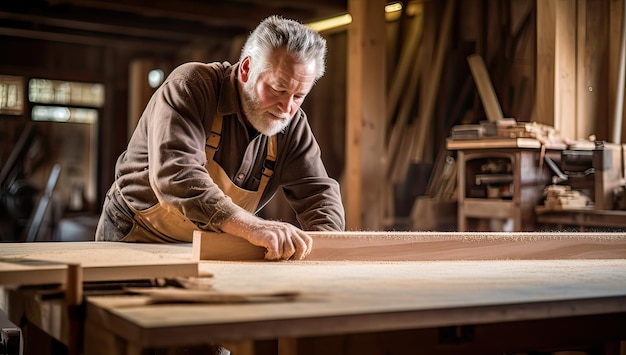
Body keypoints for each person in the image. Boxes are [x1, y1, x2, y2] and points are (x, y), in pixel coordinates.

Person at [95, 15, 345, 260]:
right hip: (138, 233)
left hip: (210, 243)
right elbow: (176, 175)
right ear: (247, 69)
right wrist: (254, 227)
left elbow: (318, 194)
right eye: (277, 89)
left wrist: (327, 250)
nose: (286, 107)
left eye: (299, 95)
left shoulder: (292, 124)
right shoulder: (191, 87)